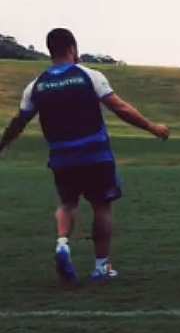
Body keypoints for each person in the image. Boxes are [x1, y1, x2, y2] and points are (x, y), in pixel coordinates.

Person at [0, 28, 170, 285]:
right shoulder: (89, 76)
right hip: (95, 155)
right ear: (72, 48)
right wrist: (152, 127)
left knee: (67, 204)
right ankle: (101, 267)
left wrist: (2, 145)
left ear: (50, 51)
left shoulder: (37, 86)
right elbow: (120, 108)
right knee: (101, 207)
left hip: (62, 158)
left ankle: (62, 244)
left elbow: (19, 121)